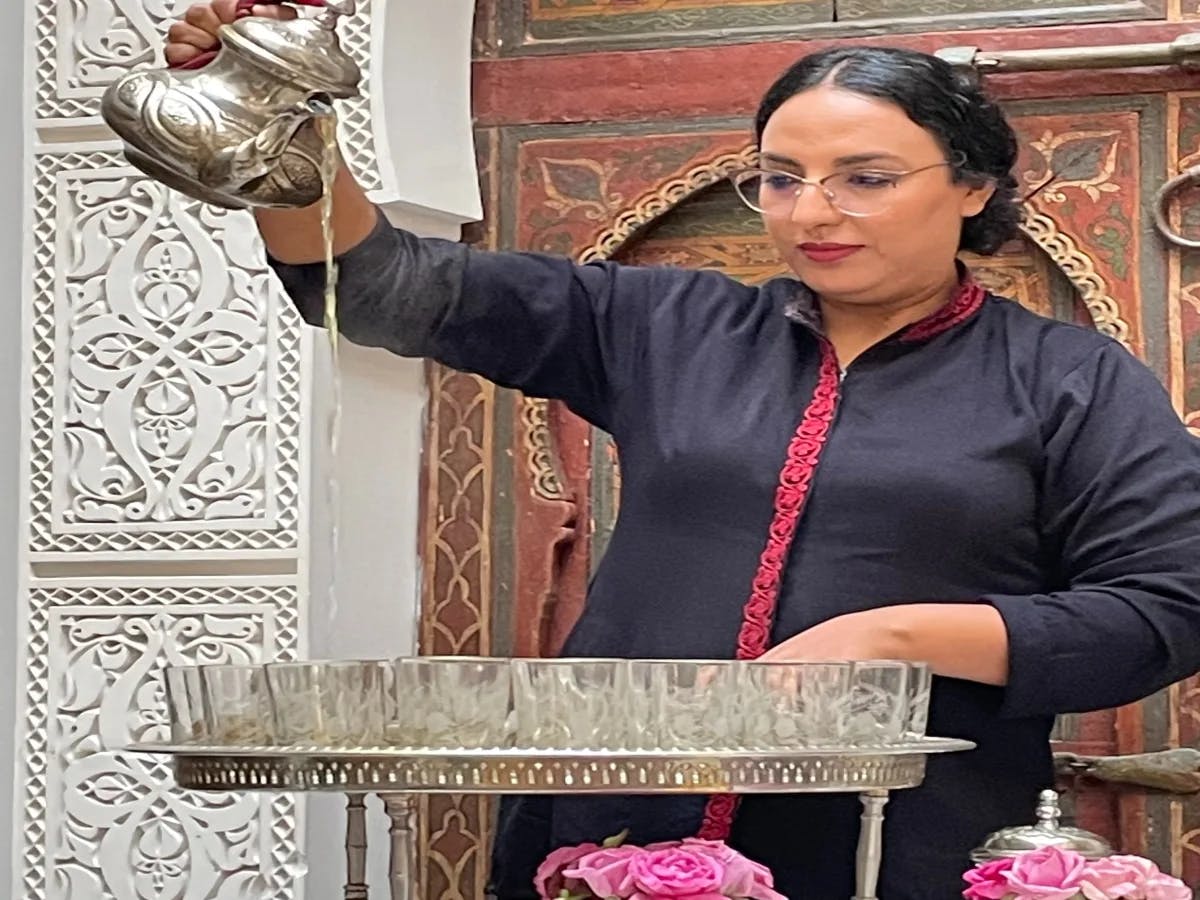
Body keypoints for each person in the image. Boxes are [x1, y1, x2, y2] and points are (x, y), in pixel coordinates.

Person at [167, 7, 1200, 898]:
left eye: (866, 178)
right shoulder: (667, 324)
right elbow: (381, 286)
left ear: (973, 188)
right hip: (611, 844)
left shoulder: (1069, 380)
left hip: (901, 848)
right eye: (782, 179)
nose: (813, 212)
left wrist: (898, 641)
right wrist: (285, 147)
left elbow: (1166, 610)